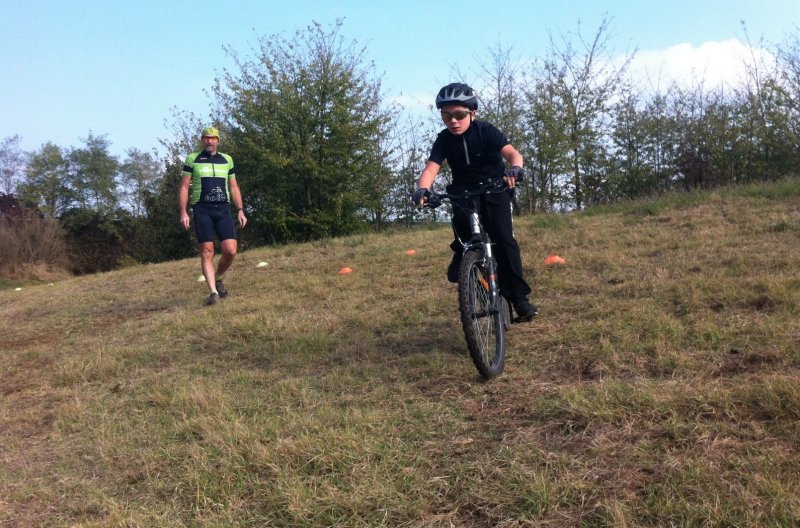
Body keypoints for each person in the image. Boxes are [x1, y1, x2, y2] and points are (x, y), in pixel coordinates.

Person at [412, 83, 538, 322]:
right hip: (465, 190)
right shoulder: (444, 140)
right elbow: (431, 169)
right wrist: (422, 189)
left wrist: (515, 169)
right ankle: (462, 253)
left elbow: (512, 153)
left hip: (495, 186)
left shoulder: (486, 131)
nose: (453, 121)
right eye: (446, 115)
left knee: (503, 238)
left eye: (459, 115)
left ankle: (519, 299)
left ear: (473, 113)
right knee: (462, 220)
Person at [179, 126, 247, 305]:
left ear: (218, 140)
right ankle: (213, 293)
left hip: (223, 208)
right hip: (202, 209)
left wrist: (240, 209)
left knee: (231, 250)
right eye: (206, 138)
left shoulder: (227, 160)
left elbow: (233, 186)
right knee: (207, 251)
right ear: (202, 140)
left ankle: (218, 277)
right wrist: (183, 212)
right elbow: (185, 187)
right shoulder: (193, 159)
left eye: (213, 138)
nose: (209, 141)